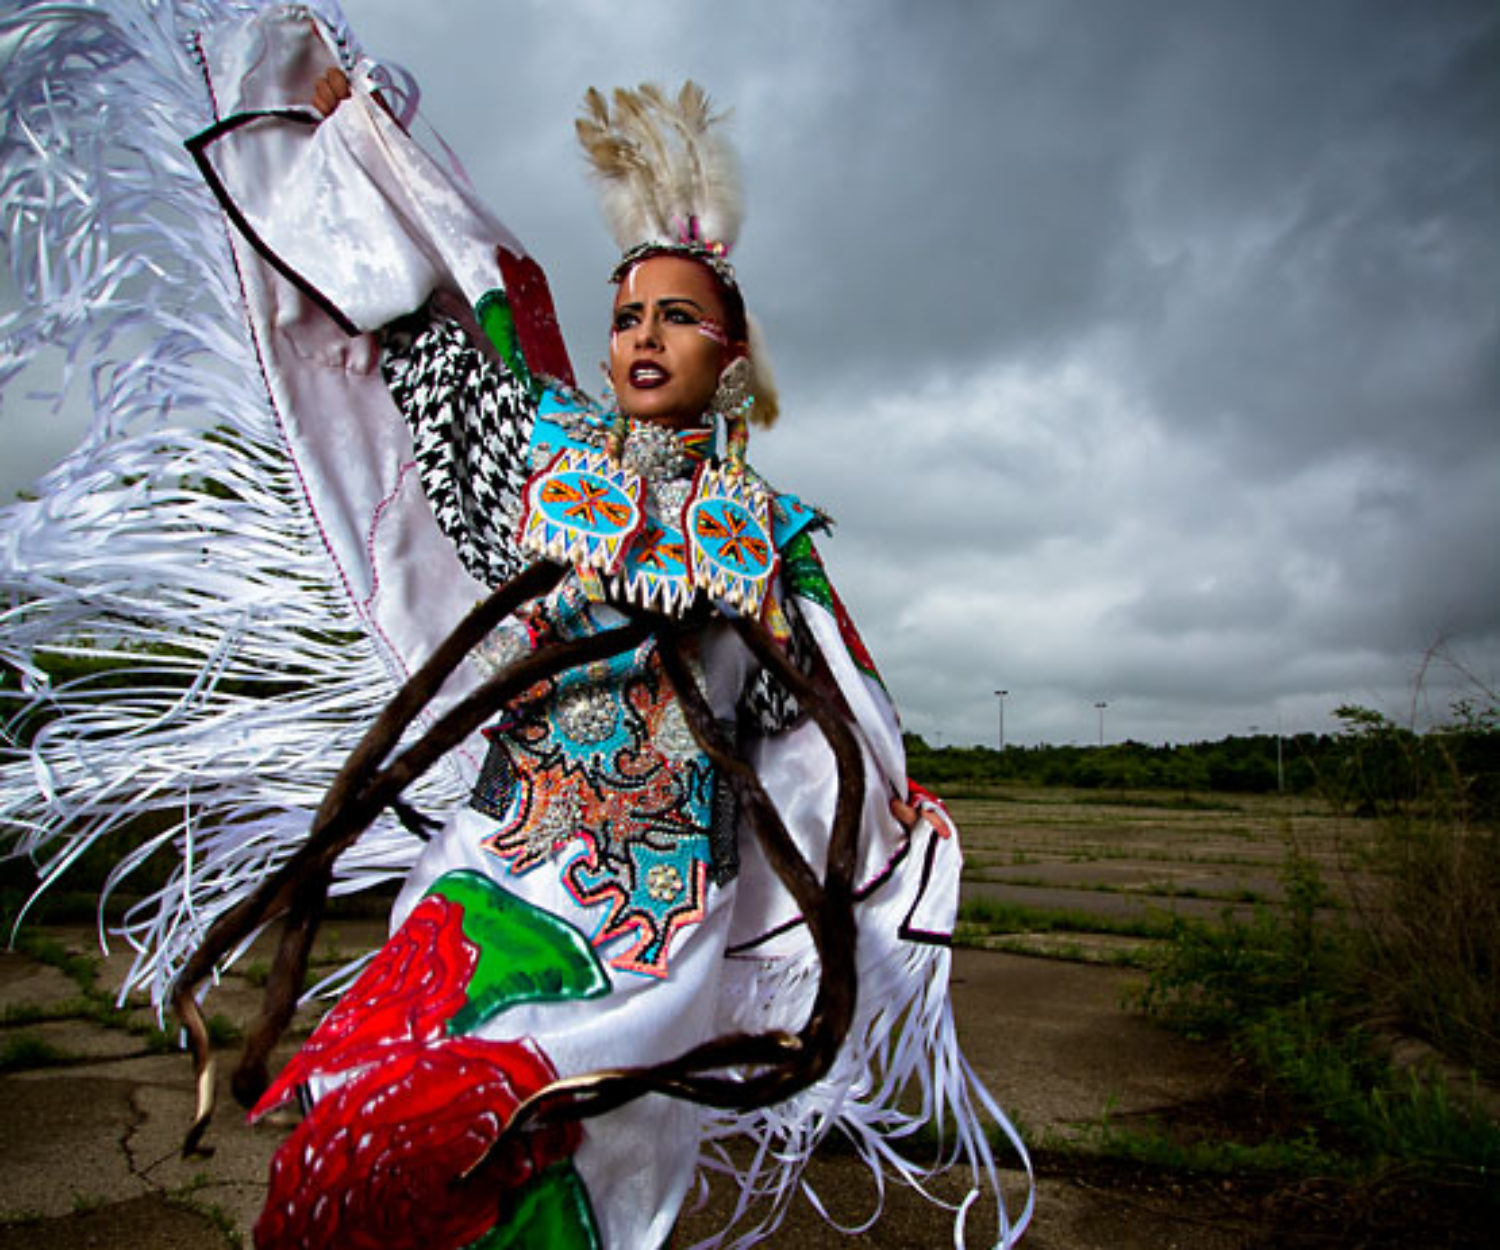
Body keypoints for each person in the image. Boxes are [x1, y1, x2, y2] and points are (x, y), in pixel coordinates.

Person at [1, 4, 1031, 1247]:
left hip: (644, 912)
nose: (646, 334)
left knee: (545, 1175)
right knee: (345, 1149)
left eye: (679, 316)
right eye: (630, 315)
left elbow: (820, 719)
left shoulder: (765, 531)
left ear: (734, 351)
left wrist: (894, 815)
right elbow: (434, 323)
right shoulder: (546, 456)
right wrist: (359, 156)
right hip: (493, 865)